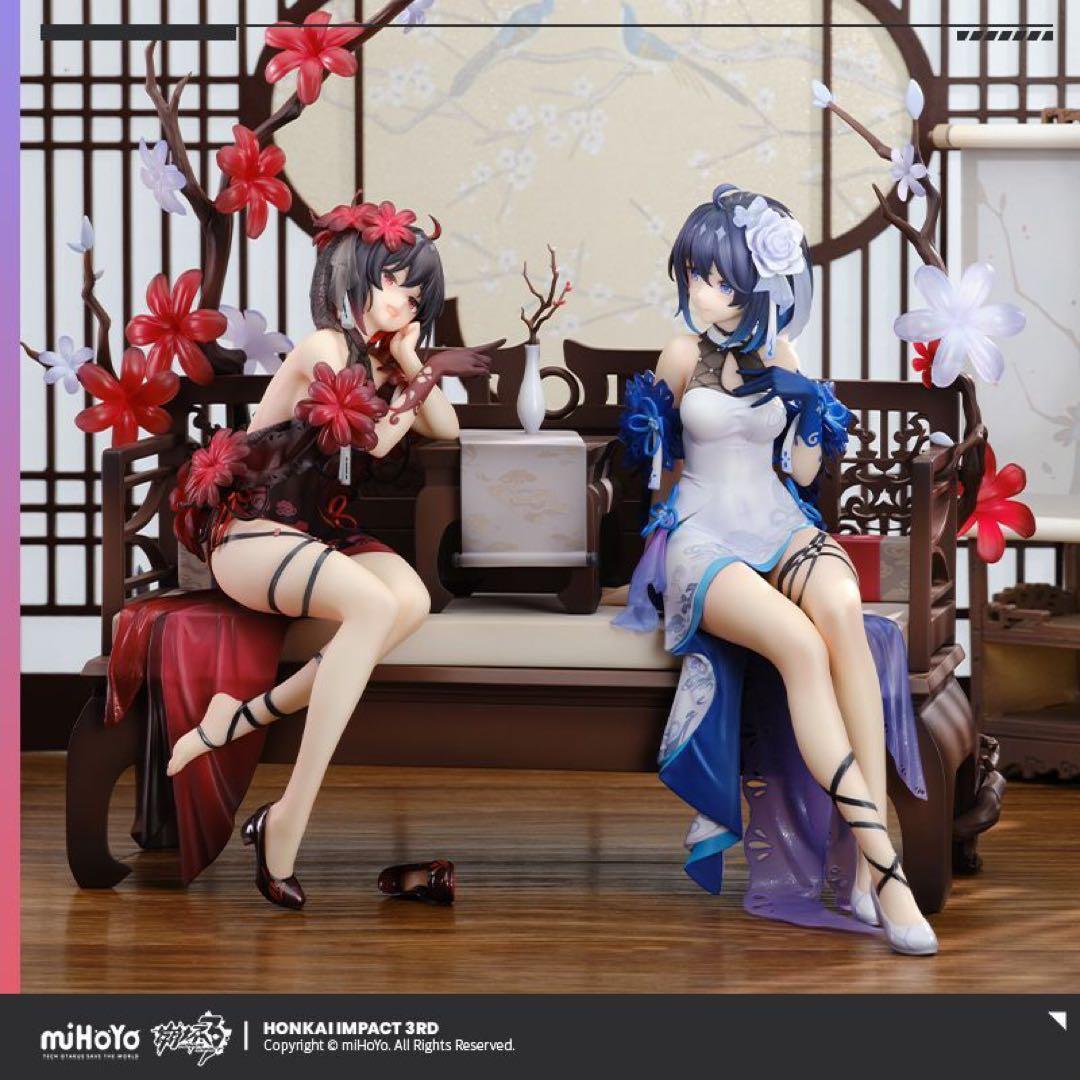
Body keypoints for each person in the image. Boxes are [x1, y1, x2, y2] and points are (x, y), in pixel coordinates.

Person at [615, 184, 937, 955]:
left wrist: (808, 408)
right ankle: (889, 875)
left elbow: (801, 472)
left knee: (843, 611)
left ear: (759, 283)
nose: (700, 289)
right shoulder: (681, 354)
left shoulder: (781, 354)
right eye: (694, 273)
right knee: (797, 646)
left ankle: (862, 865)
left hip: (779, 522)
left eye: (718, 277)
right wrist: (651, 557)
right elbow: (657, 471)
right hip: (702, 534)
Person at [166, 196, 492, 909]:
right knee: (374, 605)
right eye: (393, 282)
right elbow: (375, 438)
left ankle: (238, 717)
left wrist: (413, 361)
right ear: (356, 272)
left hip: (317, 530)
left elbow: (444, 427)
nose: (403, 300)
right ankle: (287, 820)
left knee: (409, 601)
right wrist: (424, 372)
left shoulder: (382, 362)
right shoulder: (325, 348)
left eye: (417, 294)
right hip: (252, 530)